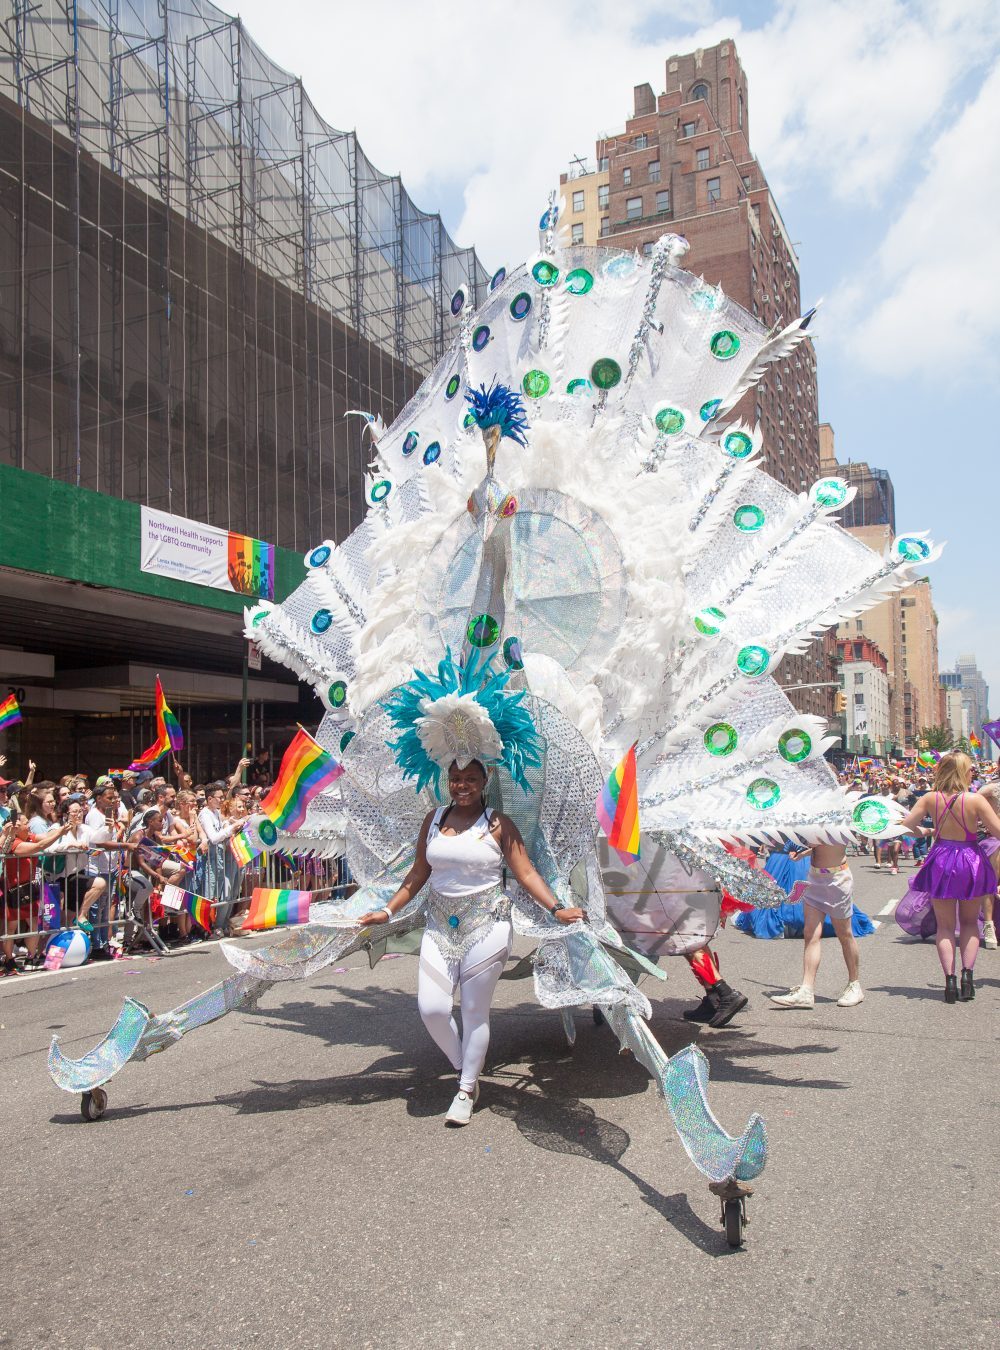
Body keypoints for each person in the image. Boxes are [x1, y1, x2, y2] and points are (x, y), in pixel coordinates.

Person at [357, 757, 583, 1126]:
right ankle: (468, 1071)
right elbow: (418, 873)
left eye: (471, 779)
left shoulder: (498, 824)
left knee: (473, 1011)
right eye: (456, 778)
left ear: (485, 780)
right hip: (439, 924)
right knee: (431, 1008)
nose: (463, 785)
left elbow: (525, 872)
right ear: (448, 781)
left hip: (488, 925)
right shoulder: (433, 820)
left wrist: (557, 908)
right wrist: (388, 910)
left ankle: (464, 1090)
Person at [896, 753, 1000, 1002]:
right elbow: (997, 832)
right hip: (970, 859)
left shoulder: (930, 798)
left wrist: (929, 830)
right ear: (964, 772)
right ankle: (967, 975)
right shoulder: (975, 800)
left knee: (944, 926)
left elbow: (908, 827)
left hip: (941, 858)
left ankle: (949, 981)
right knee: (967, 923)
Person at [768, 841, 863, 1009]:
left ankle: (854, 985)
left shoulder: (840, 818)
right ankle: (806, 990)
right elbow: (816, 845)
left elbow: (824, 839)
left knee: (844, 934)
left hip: (837, 879)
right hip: (814, 877)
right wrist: (804, 853)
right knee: (810, 933)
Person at [1, 810, 73, 974]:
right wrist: (60, 832)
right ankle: (9, 959)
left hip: (29, 887)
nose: (29, 826)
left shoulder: (29, 836)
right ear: (16, 826)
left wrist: (64, 827)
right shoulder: (13, 842)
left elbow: (45, 838)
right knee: (10, 927)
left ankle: (31, 957)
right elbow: (39, 846)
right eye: (26, 823)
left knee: (34, 924)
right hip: (13, 889)